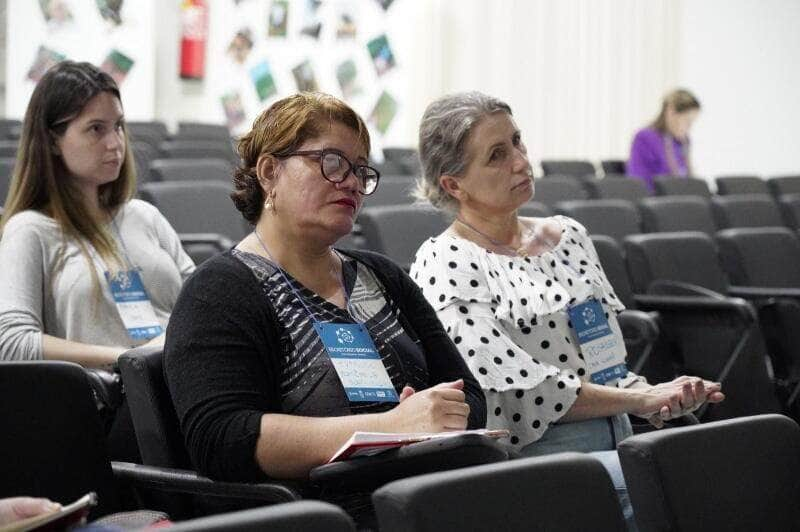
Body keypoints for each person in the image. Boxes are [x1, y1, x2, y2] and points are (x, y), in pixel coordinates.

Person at [410, 91, 723, 529]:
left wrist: (660, 398)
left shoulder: (569, 237)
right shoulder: (445, 261)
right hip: (536, 464)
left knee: (729, 464)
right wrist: (639, 398)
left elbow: (605, 364)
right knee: (696, 488)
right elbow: (517, 391)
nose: (520, 161)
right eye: (497, 155)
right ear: (453, 185)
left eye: (517, 142)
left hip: (622, 446)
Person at [163, 93, 484, 495]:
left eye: (360, 170)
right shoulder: (221, 289)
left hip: (427, 494)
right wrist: (392, 427)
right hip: (317, 513)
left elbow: (468, 393)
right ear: (268, 172)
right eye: (332, 163)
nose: (351, 182)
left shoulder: (381, 275)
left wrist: (439, 416)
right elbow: (224, 437)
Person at [0, 61, 195, 459]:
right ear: (53, 139)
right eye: (96, 129)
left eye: (118, 126)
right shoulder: (30, 230)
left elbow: (202, 302)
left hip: (182, 382)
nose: (114, 143)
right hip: (113, 405)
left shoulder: (144, 216)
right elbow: (12, 345)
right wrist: (128, 360)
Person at [627, 88, 701, 192]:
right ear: (671, 113)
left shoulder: (683, 142)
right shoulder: (645, 138)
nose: (689, 127)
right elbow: (639, 183)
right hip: (656, 201)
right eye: (687, 121)